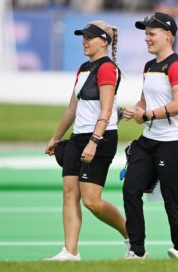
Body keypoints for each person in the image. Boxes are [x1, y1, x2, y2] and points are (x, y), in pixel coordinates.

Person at [44, 21, 128, 261]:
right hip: (78, 137)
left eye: (89, 37)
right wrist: (56, 137)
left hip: (100, 138)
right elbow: (72, 107)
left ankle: (131, 234)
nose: (84, 40)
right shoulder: (83, 68)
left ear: (103, 41)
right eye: (83, 36)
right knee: (69, 193)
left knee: (91, 200)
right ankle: (70, 252)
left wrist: (94, 141)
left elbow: (107, 108)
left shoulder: (107, 69)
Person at [122, 12, 178, 259]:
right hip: (149, 140)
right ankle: (137, 250)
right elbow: (144, 100)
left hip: (174, 142)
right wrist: (135, 110)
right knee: (131, 189)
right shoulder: (149, 66)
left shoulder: (177, 65)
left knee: (172, 197)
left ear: (168, 36)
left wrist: (147, 115)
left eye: (151, 33)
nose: (147, 38)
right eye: (146, 33)